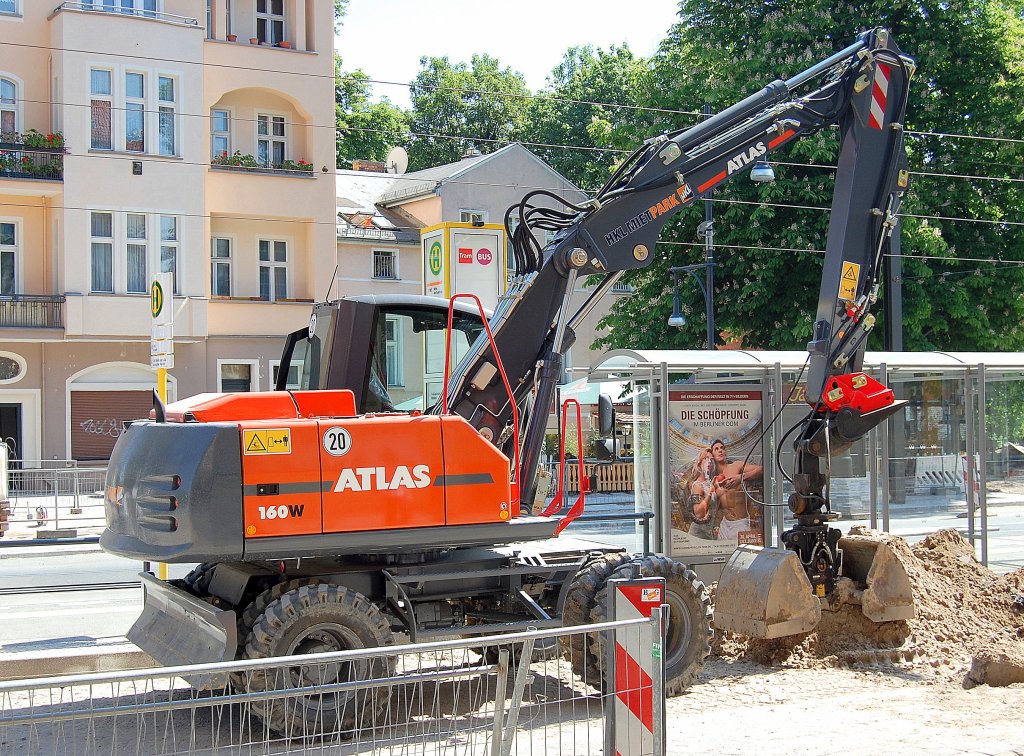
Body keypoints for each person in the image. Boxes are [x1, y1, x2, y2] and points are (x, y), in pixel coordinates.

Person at [708, 439, 763, 543]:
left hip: (740, 523)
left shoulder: (736, 466)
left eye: (722, 448)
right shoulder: (713, 478)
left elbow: (762, 469)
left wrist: (740, 477)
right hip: (724, 524)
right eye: (716, 449)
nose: (720, 450)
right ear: (713, 455)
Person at [672, 446, 718, 540]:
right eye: (706, 458)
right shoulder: (697, 485)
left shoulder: (710, 483)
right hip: (697, 535)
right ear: (700, 462)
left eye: (711, 459)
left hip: (708, 534)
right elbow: (699, 514)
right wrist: (710, 492)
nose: (709, 461)